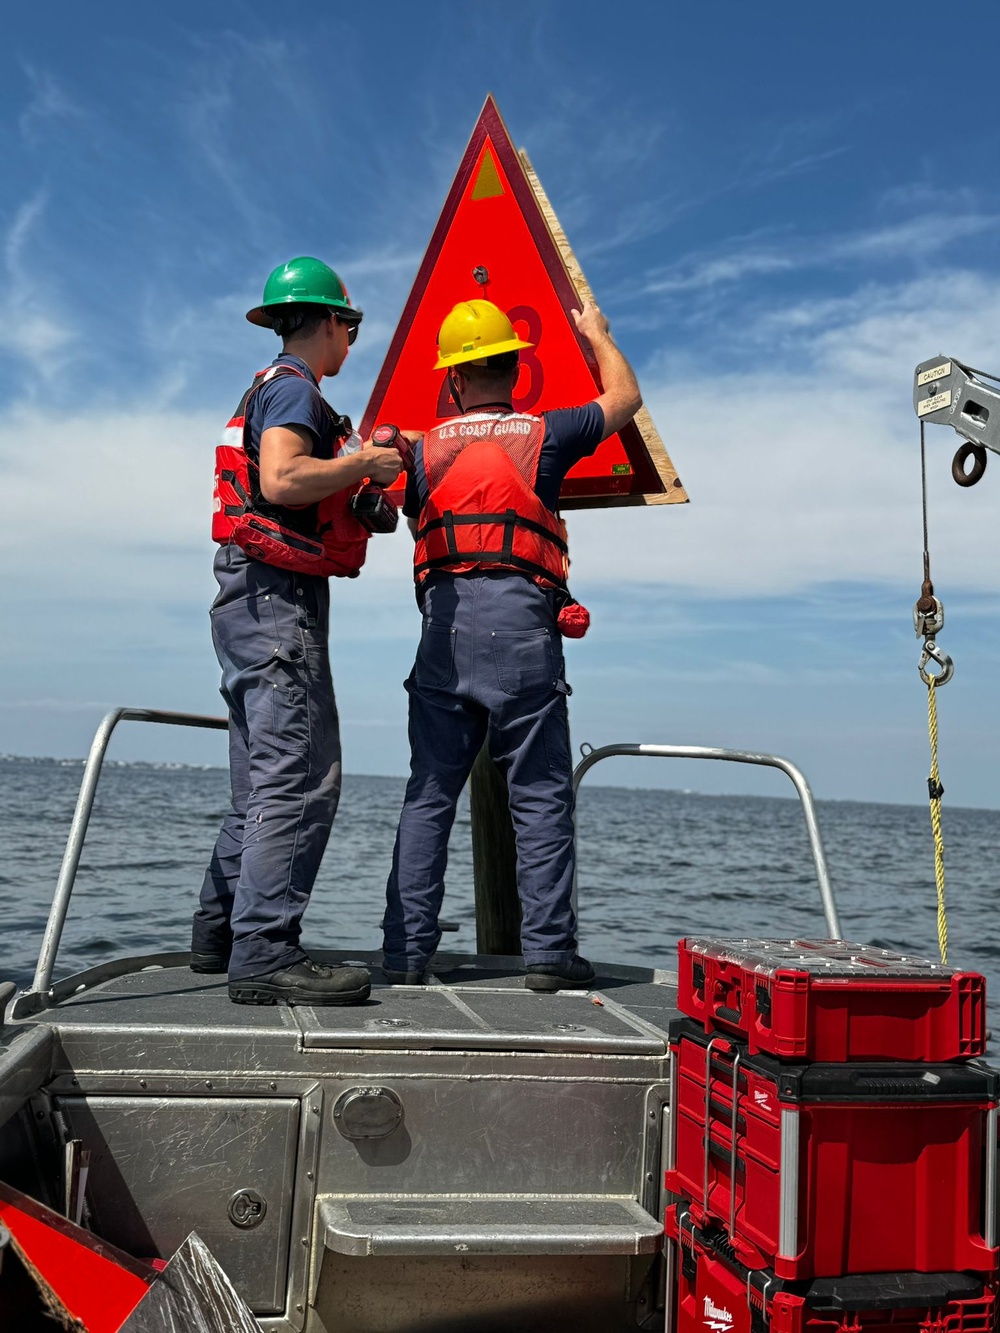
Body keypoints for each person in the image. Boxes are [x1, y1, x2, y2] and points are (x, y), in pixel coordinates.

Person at [381, 297, 642, 990]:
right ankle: (550, 955)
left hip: (444, 635)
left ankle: (405, 955)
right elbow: (625, 399)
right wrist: (597, 335)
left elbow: (386, 491)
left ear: (454, 380)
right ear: (515, 369)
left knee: (429, 794)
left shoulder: (420, 450)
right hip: (524, 634)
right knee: (540, 795)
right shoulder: (547, 434)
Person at [193, 256, 402, 1006]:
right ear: (329, 323)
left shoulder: (266, 388)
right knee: (301, 775)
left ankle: (217, 933)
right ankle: (265, 952)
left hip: (244, 603)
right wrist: (367, 462)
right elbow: (282, 481)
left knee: (257, 778)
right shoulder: (295, 392)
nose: (352, 343)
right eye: (351, 327)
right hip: (277, 605)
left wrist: (356, 478)